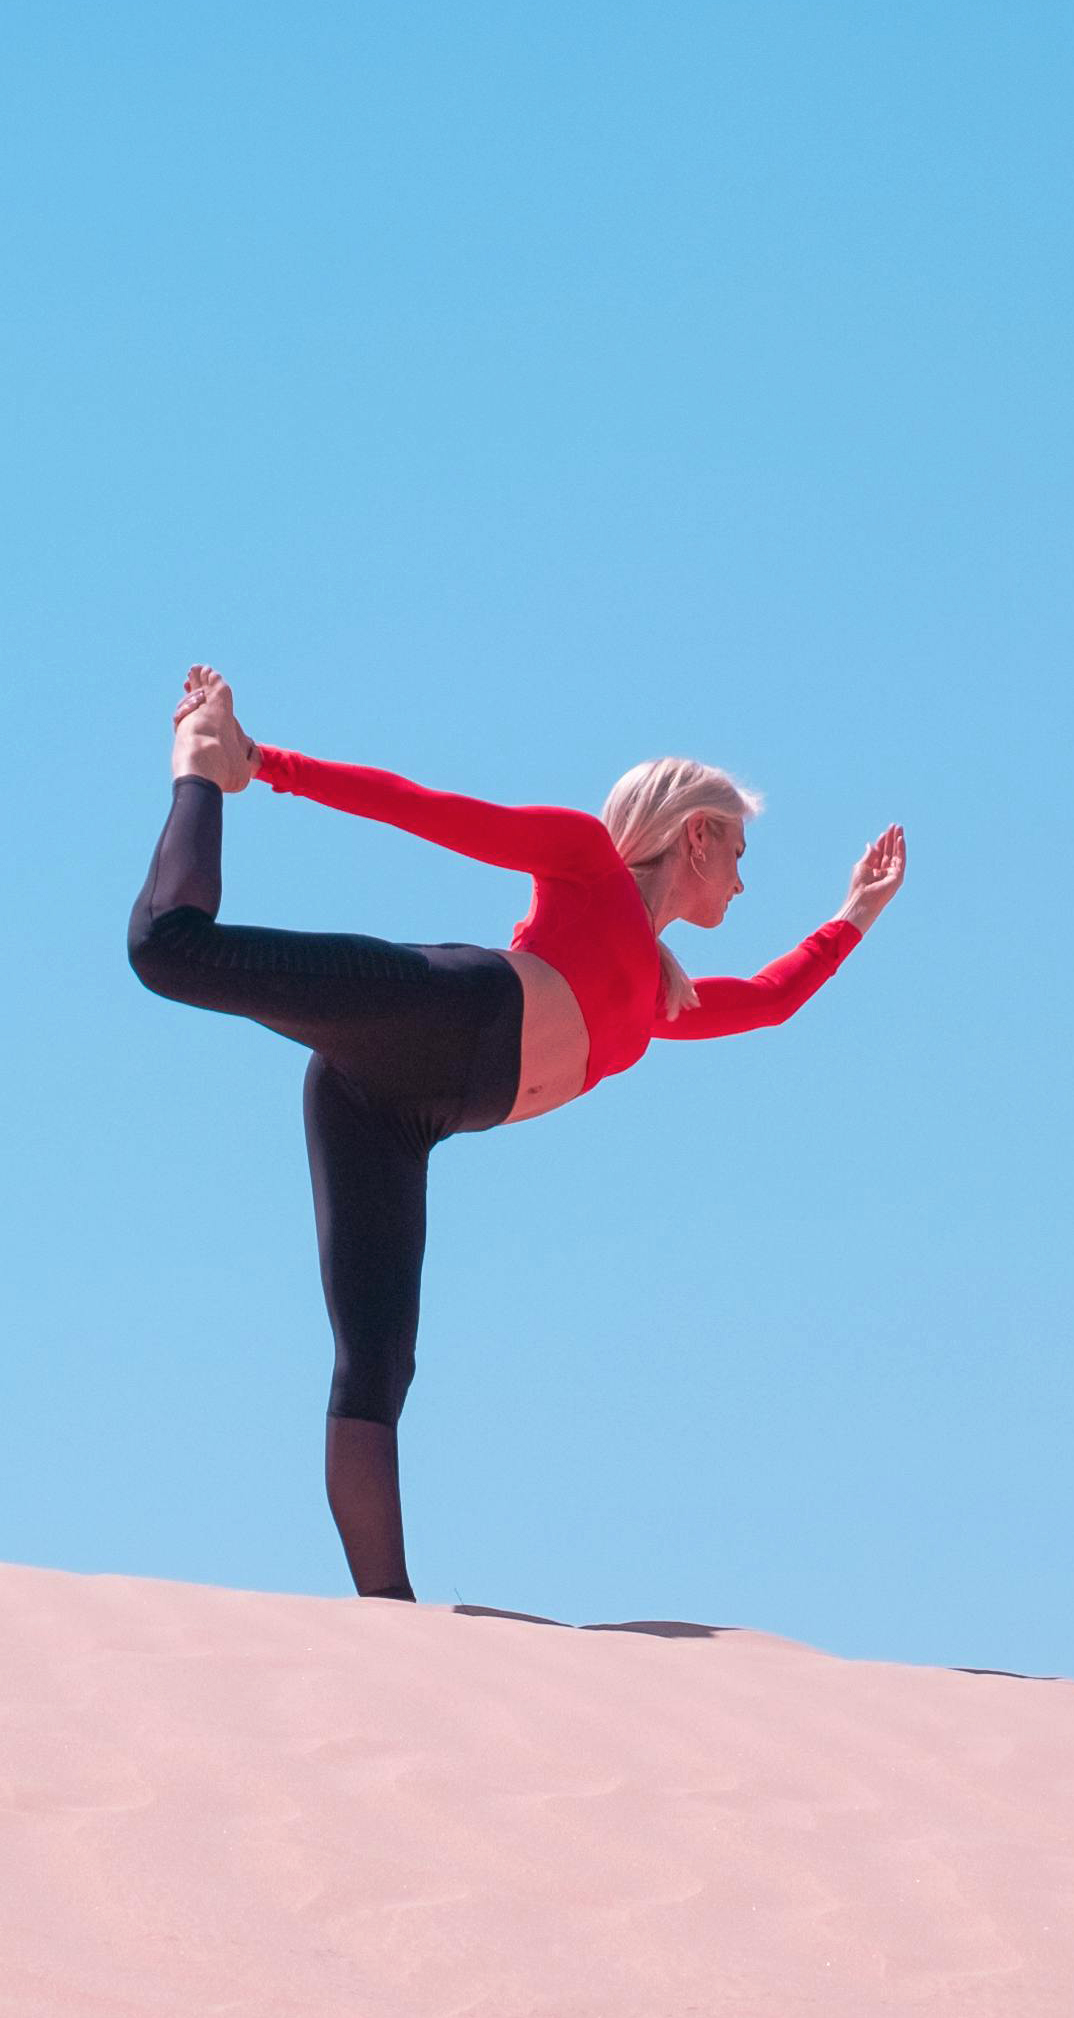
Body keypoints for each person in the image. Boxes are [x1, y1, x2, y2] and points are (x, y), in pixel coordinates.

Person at [125, 664, 907, 1600]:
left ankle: (389, 1614)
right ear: (696, 834)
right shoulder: (586, 865)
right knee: (170, 950)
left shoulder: (657, 996)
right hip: (436, 1013)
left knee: (378, 1361)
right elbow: (434, 811)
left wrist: (855, 913)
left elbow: (771, 1001)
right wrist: (267, 764)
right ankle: (203, 765)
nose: (742, 880)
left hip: (394, 1110)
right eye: (736, 850)